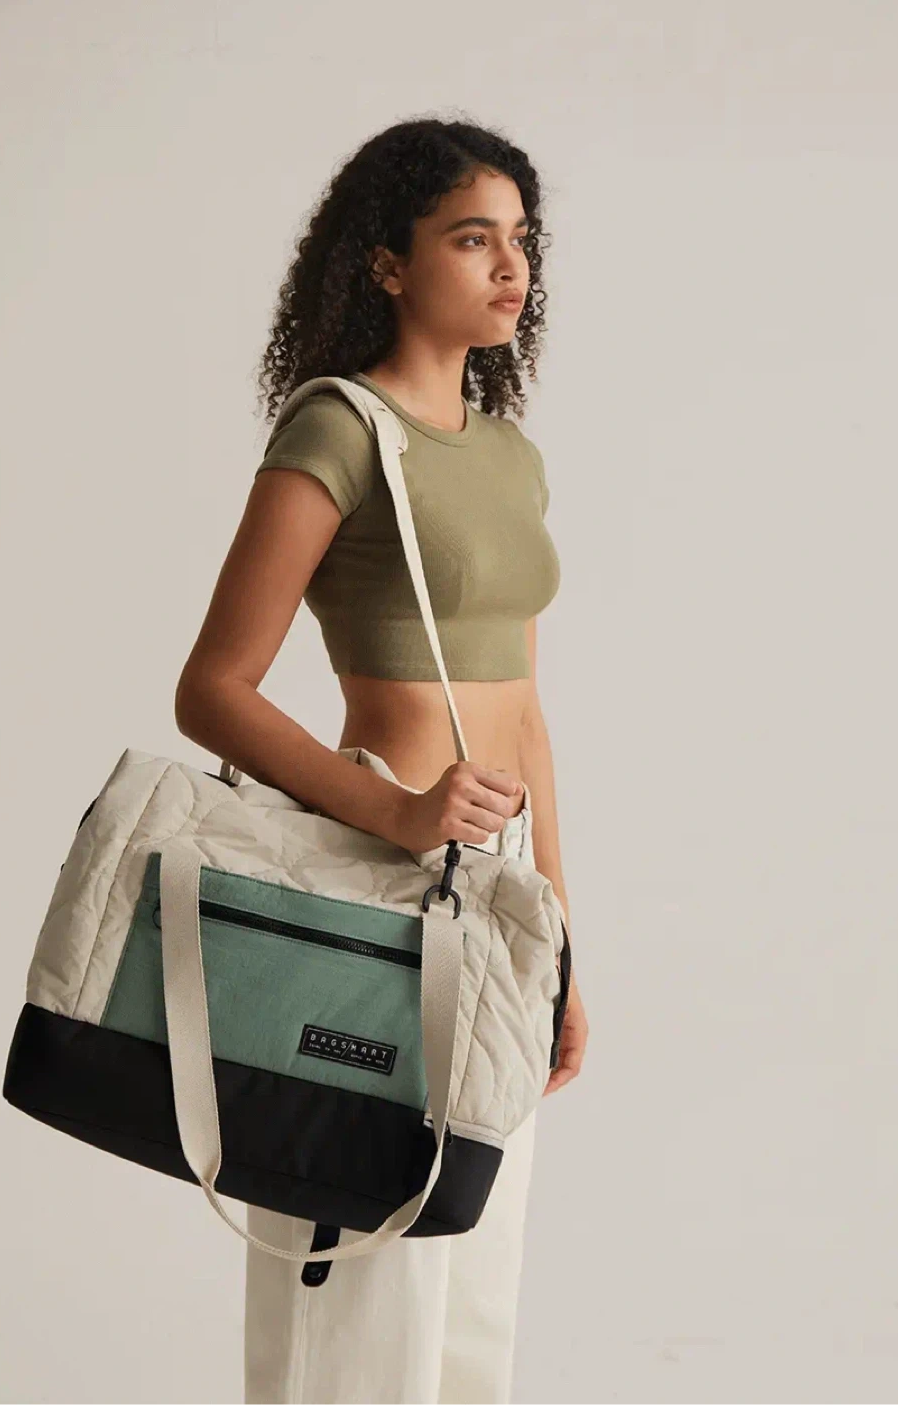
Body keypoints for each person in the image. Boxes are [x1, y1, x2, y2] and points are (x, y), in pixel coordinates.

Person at [173, 115, 589, 1405]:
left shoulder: (509, 457)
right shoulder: (341, 429)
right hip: (381, 873)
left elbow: (526, 714)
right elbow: (212, 690)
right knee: (363, 1251)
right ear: (387, 264)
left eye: (520, 239)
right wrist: (396, 812)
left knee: (474, 1266)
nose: (510, 266)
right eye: (472, 239)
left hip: (500, 880)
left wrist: (561, 936)